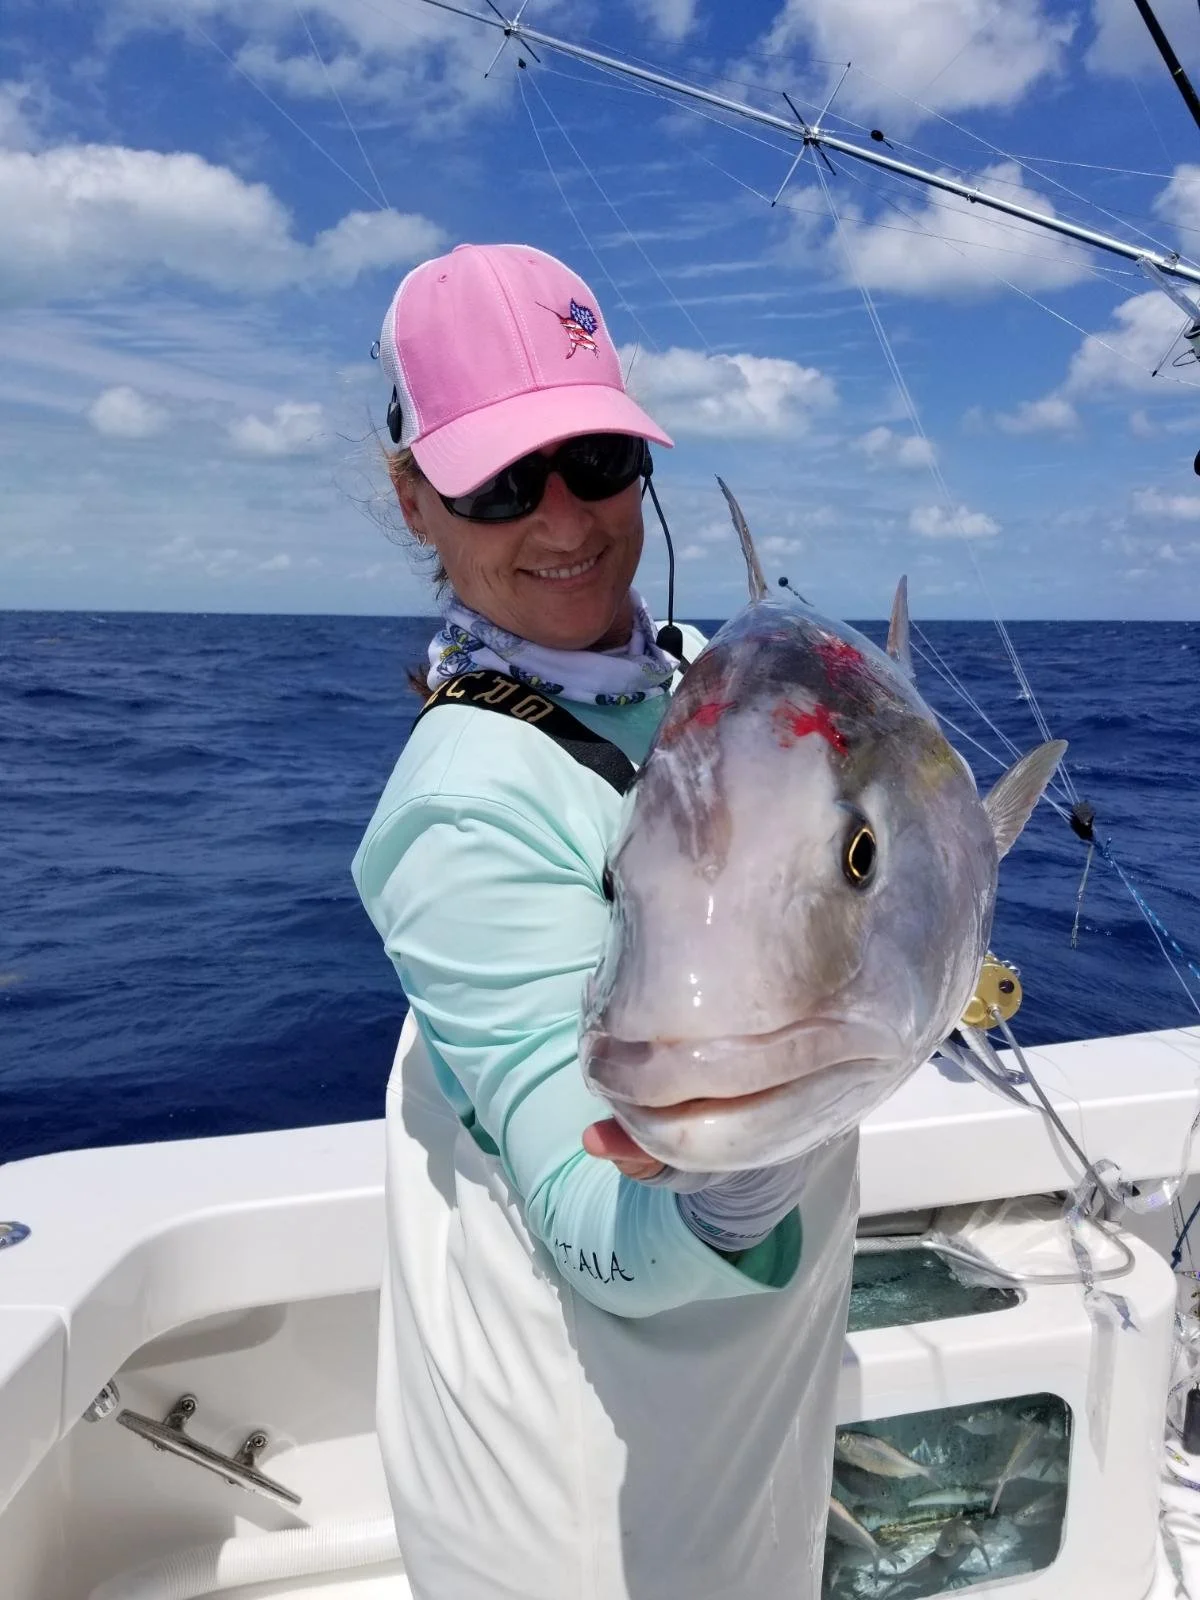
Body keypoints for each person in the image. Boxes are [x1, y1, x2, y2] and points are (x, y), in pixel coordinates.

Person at [352, 242, 859, 1600]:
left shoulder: (703, 682)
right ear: (416, 498)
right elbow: (598, 1228)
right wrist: (738, 1170)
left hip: (742, 1424)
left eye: (596, 459)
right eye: (499, 482)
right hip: (579, 1508)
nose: (565, 518)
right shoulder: (460, 810)